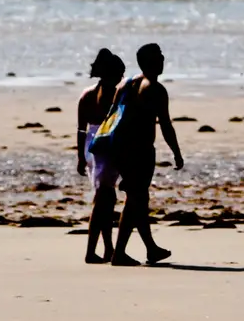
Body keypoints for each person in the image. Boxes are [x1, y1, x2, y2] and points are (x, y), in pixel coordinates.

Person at [109, 42, 183, 266]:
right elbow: (166, 126)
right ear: (150, 61)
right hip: (139, 151)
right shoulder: (155, 89)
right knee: (136, 200)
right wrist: (177, 153)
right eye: (159, 56)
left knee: (139, 199)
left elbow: (111, 117)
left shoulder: (127, 84)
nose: (163, 59)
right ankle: (119, 253)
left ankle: (151, 249)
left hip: (120, 149)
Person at [75, 48, 127, 264]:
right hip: (106, 145)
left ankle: (107, 248)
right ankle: (91, 250)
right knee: (103, 199)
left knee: (106, 198)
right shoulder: (113, 95)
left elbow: (81, 129)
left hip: (90, 147)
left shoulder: (86, 95)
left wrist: (80, 156)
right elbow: (117, 125)